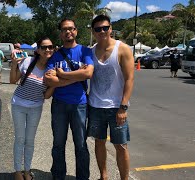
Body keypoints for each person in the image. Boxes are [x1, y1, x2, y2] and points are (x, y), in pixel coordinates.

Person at [44, 18, 94, 180]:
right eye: (65, 29)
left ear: (76, 31)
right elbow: (49, 80)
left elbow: (87, 73)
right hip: (59, 104)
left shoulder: (85, 51)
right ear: (60, 33)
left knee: (80, 145)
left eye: (71, 29)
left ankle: (83, 177)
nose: (68, 32)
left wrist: (63, 75)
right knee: (58, 144)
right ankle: (58, 176)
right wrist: (76, 76)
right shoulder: (55, 55)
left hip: (79, 104)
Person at [87, 15, 134, 180]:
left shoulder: (123, 49)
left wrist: (123, 107)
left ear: (111, 29)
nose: (102, 31)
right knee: (99, 142)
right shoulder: (91, 51)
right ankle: (103, 176)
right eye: (98, 29)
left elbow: (129, 79)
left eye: (105, 28)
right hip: (95, 105)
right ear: (93, 31)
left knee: (121, 146)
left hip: (116, 107)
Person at [10, 37, 55, 180]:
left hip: (36, 107)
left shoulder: (52, 68)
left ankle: (27, 170)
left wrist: (56, 82)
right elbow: (12, 80)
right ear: (38, 50)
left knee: (30, 140)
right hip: (18, 105)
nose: (47, 50)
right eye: (44, 47)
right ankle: (18, 171)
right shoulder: (27, 62)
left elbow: (46, 96)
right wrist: (13, 64)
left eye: (50, 47)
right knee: (20, 138)